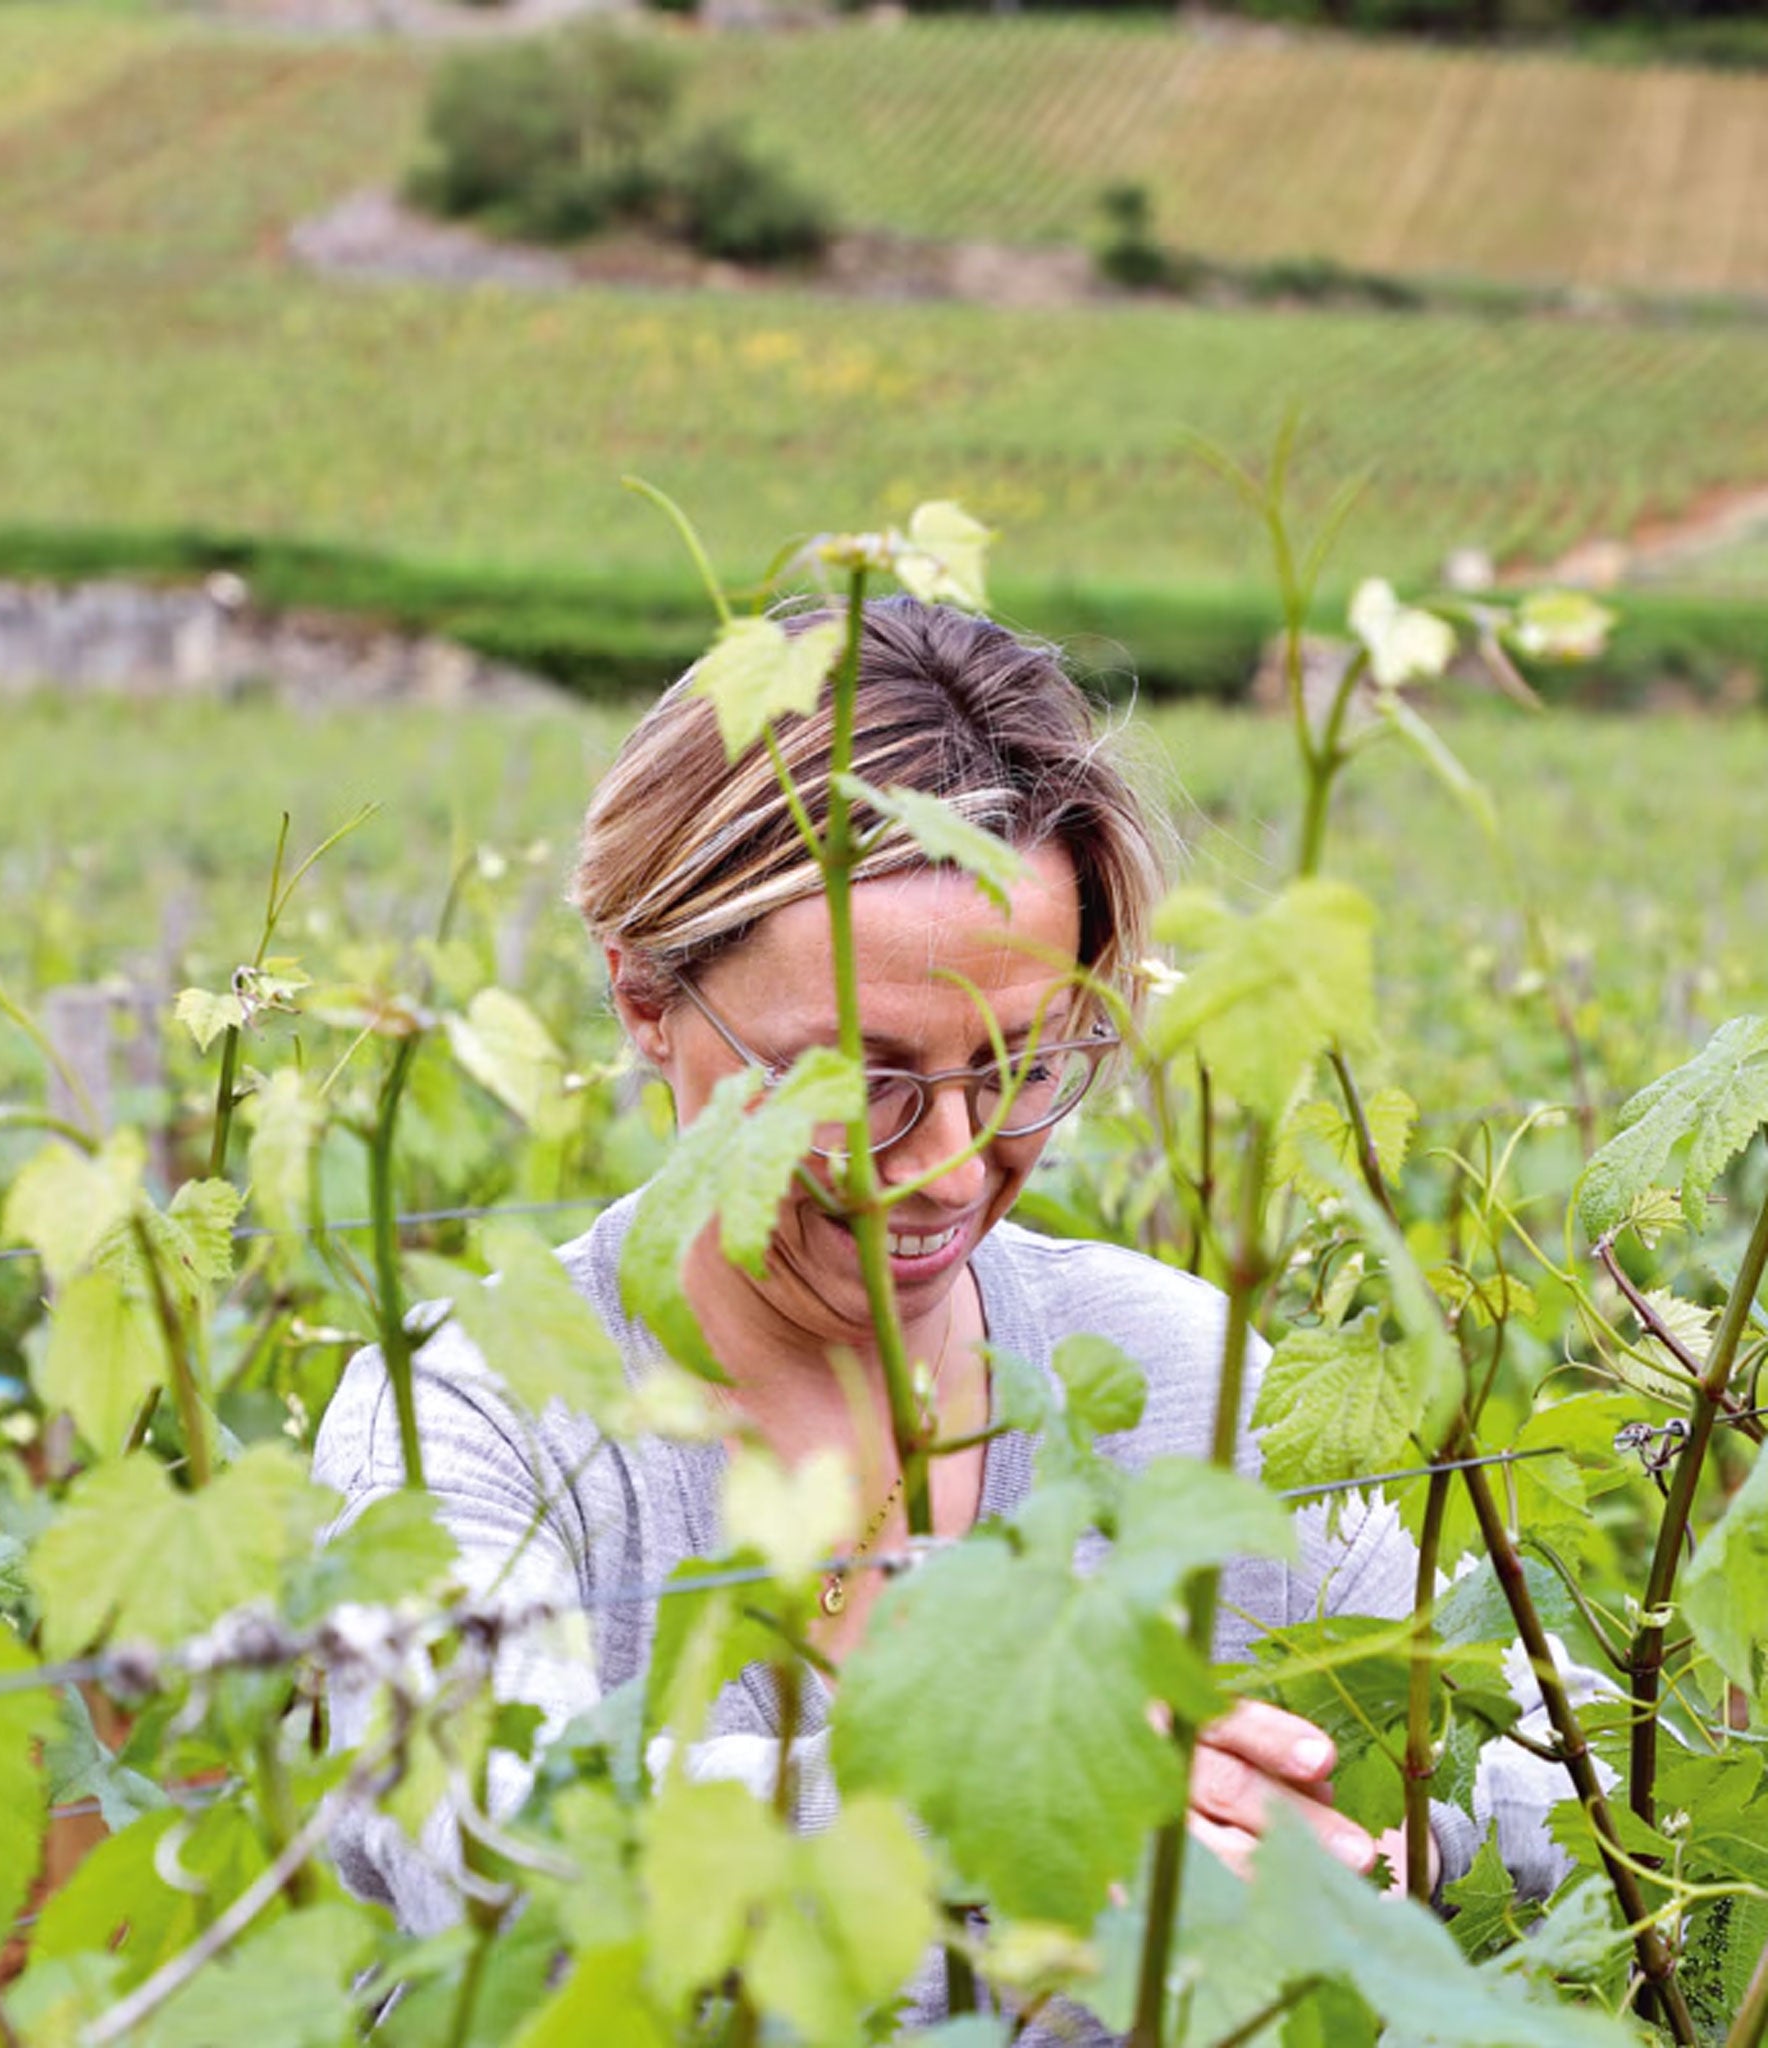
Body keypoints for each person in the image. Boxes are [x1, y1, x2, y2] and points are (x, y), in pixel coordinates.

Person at [312, 596, 1468, 2016]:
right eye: (859, 1083)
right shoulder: (474, 1413)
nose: (951, 1167)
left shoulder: (1181, 1371)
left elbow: (1496, 1750)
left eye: (1025, 1067)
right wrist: (1046, 1822)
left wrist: (1367, 1860)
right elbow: (496, 1851)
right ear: (642, 1001)